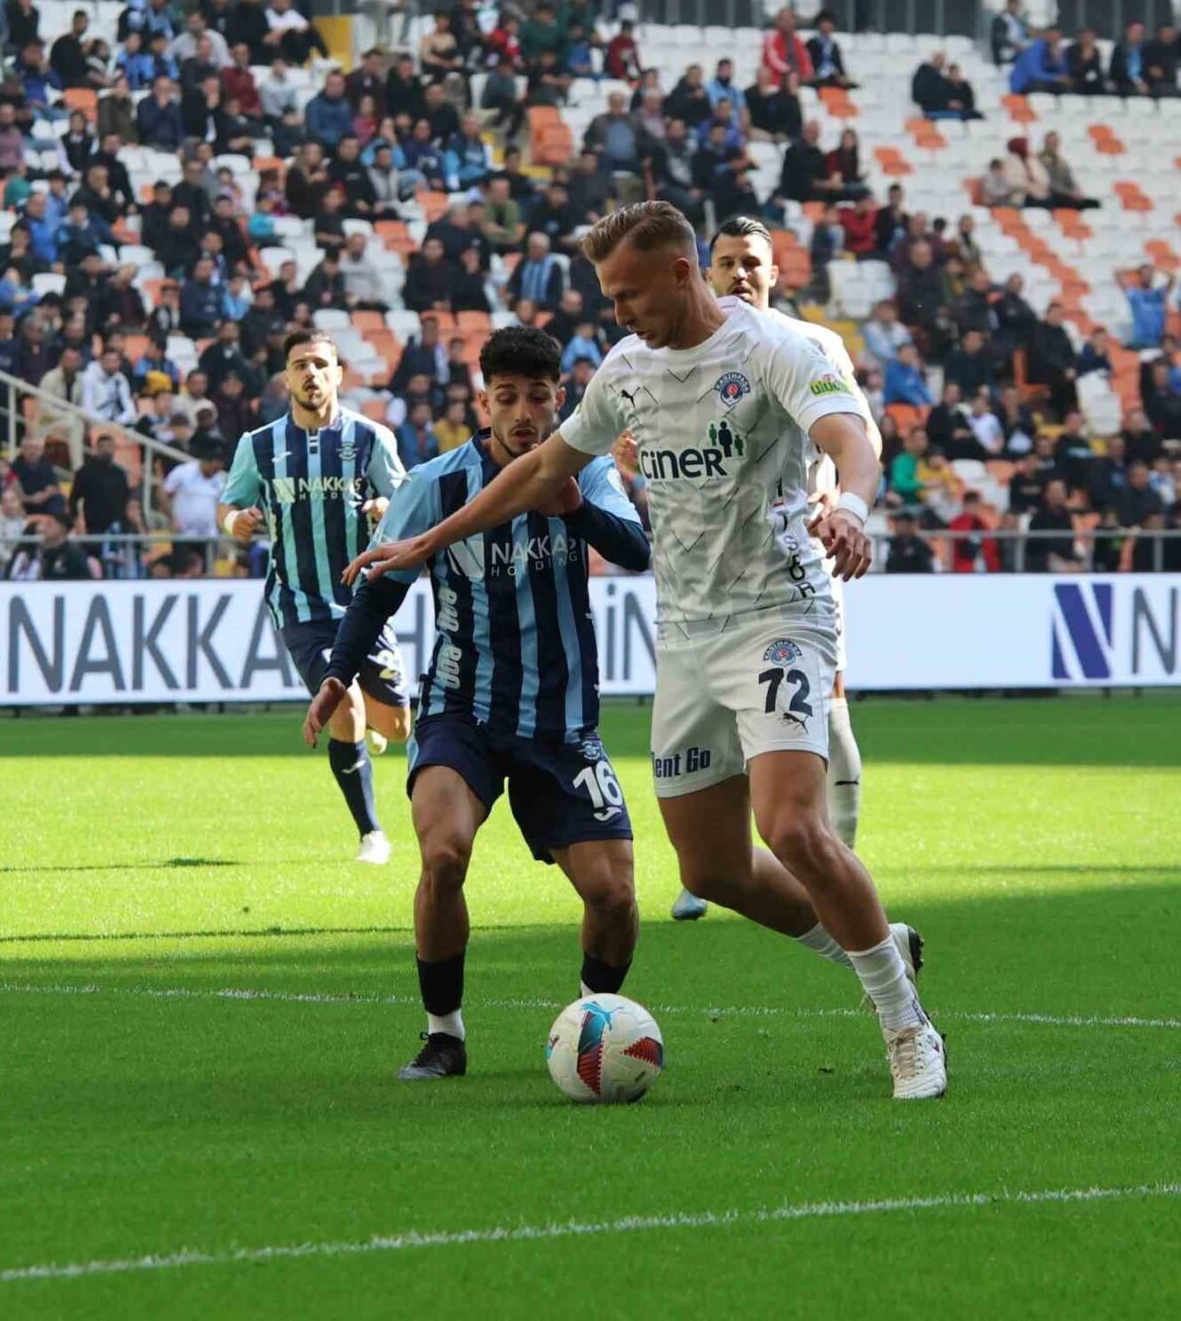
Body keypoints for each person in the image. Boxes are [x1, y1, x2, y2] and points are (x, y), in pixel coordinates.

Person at [346, 202, 945, 1101]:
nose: (618, 313)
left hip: (780, 613)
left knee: (790, 826)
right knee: (711, 869)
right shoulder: (627, 371)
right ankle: (874, 943)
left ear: (680, 271)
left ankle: (906, 1026)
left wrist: (853, 509)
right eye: (608, 297)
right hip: (687, 636)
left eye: (627, 293)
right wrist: (428, 541)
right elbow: (541, 469)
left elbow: (850, 440)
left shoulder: (774, 349)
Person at [301, 327, 650, 1080]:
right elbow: (380, 589)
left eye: (538, 397)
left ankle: (589, 1025)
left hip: (561, 722)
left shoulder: (586, 471)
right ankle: (444, 1035)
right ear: (483, 401)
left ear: (559, 400)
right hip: (463, 709)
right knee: (443, 854)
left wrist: (575, 508)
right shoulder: (434, 483)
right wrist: (338, 673)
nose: (523, 413)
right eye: (508, 397)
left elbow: (636, 549)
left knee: (616, 895)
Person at [679, 216, 883, 923]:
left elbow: (861, 431)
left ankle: (838, 858)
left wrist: (840, 497)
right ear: (706, 272)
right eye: (726, 261)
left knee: (825, 697)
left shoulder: (811, 343)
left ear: (774, 273)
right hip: (711, 568)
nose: (739, 273)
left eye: (751, 262)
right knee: (719, 713)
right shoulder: (681, 348)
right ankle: (721, 859)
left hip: (798, 554)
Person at [218, 330, 412, 865]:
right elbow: (227, 505)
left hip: (363, 601)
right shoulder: (259, 445)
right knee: (342, 703)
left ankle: (370, 726)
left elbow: (405, 501)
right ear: (286, 377)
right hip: (299, 603)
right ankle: (371, 833)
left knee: (398, 727)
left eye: (321, 364)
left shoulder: (370, 438)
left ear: (338, 375)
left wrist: (385, 508)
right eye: (300, 364)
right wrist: (235, 522)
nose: (311, 373)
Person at [1117, 265, 1173, 350]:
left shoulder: (1159, 293)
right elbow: (1117, 274)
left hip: (1158, 340)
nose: (1147, 276)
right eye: (1144, 274)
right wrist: (1135, 269)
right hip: (1141, 341)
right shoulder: (1134, 294)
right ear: (1140, 276)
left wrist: (1157, 268)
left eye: (1150, 274)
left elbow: (1172, 278)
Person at [884, 507, 936, 573]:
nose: (903, 528)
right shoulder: (888, 544)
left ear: (912, 526)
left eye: (906, 524)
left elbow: (928, 567)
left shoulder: (921, 546)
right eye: (900, 524)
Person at [991, 0, 1028, 67]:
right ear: (1008, 4)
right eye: (1014, 4)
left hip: (1018, 54)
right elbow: (1000, 38)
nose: (1016, 7)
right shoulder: (1001, 19)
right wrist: (1015, 46)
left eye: (1017, 5)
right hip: (1005, 57)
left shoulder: (1018, 20)